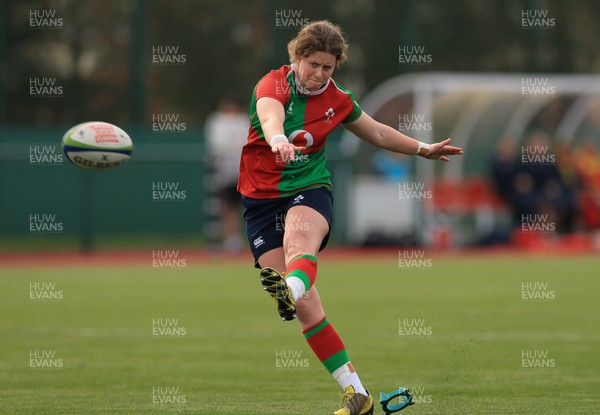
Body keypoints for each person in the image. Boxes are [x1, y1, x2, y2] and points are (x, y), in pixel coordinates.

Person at [237, 21, 462, 415]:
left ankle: (289, 286)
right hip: (259, 202)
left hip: (309, 188)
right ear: (297, 58)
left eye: (328, 67)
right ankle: (357, 394)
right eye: (313, 64)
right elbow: (270, 117)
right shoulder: (273, 85)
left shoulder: (337, 99)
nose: (320, 74)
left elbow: (376, 132)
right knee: (307, 310)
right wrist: (277, 139)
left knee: (298, 244)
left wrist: (423, 148)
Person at [205, 95, 249, 252]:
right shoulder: (217, 123)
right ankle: (227, 240)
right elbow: (217, 144)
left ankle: (242, 238)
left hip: (243, 172)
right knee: (225, 206)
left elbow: (247, 143)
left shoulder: (244, 122)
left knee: (244, 205)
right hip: (223, 173)